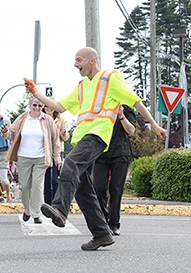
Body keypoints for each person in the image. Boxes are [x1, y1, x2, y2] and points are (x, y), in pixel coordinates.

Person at [28, 47, 167, 250]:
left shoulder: (110, 78)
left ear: (92, 60)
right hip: (83, 138)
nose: (75, 64)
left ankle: (59, 208)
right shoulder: (82, 86)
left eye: (79, 60)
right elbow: (58, 106)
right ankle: (102, 233)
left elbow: (135, 102)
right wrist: (35, 93)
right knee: (83, 187)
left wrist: (154, 125)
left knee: (71, 164)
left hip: (98, 135)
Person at [1, 97, 61, 224]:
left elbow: (55, 140)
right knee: (24, 187)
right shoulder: (23, 118)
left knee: (37, 186)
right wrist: (5, 132)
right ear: (30, 106)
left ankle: (36, 214)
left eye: (40, 106)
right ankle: (27, 210)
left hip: (41, 158)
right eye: (35, 105)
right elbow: (10, 134)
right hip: (23, 157)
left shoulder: (47, 120)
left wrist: (57, 157)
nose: (37, 108)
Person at [93, 105, 136, 236]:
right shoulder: (100, 106)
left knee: (116, 190)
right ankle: (103, 221)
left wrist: (121, 116)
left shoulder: (127, 108)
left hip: (120, 153)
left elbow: (131, 131)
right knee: (99, 187)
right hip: (101, 152)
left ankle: (114, 224)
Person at [42, 105, 70, 204]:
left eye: (50, 107)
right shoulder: (41, 118)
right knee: (46, 179)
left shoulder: (60, 119)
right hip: (45, 150)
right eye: (46, 107)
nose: (48, 109)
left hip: (58, 151)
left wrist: (64, 132)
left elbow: (65, 138)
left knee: (55, 179)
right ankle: (47, 202)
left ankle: (56, 202)